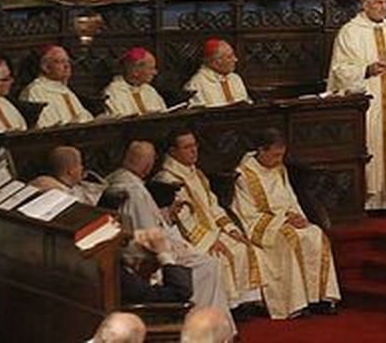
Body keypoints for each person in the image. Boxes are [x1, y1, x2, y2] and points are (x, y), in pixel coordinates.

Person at [103, 141, 233, 322]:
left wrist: (165, 216)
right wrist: (172, 251)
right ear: (148, 165)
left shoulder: (116, 178)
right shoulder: (135, 192)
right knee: (208, 266)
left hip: (126, 252)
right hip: (143, 259)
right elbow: (149, 233)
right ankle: (204, 327)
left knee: (206, 260)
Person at [231, 129, 341, 319]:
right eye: (275, 155)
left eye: (282, 154)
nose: (279, 159)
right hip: (266, 227)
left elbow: (290, 197)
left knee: (315, 234)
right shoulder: (243, 175)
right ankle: (296, 304)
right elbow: (246, 214)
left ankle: (321, 298)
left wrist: (297, 215)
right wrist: (282, 220)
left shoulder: (279, 168)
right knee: (290, 239)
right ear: (261, 150)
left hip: (287, 219)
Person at [327, 0, 386, 210]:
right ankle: (370, 199)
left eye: (385, 3)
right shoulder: (350, 31)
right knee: (370, 143)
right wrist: (367, 69)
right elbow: (340, 68)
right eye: (378, 3)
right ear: (364, 5)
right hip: (368, 97)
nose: (383, 7)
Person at [154, 129, 263, 310]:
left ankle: (243, 303)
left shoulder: (196, 173)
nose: (194, 151)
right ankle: (228, 306)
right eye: (187, 147)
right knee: (223, 255)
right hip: (189, 238)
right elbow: (182, 219)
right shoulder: (168, 179)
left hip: (214, 231)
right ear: (173, 151)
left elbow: (213, 205)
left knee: (243, 247)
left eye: (195, 145)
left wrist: (231, 230)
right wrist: (210, 240)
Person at [21, 45, 94, 127]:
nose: (67, 66)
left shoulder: (65, 90)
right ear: (45, 67)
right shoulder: (36, 91)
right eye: (60, 62)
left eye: (68, 61)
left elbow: (84, 116)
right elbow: (42, 125)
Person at [27, 145, 105, 204]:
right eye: (80, 164)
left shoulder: (41, 180)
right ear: (71, 171)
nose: (82, 168)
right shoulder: (57, 192)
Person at [184, 38, 249, 108]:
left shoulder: (235, 78)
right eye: (229, 57)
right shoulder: (197, 83)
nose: (235, 59)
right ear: (216, 61)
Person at [104, 47, 167, 118]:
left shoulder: (150, 90)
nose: (155, 72)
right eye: (151, 68)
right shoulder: (114, 92)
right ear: (135, 71)